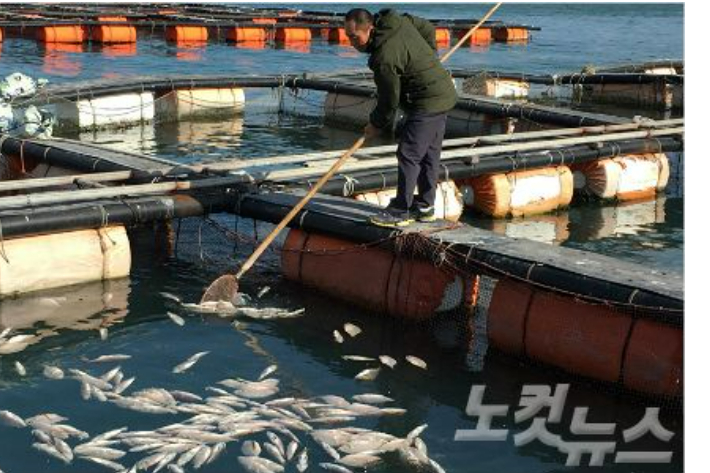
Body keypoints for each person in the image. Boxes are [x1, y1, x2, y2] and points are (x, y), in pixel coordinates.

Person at [344, 8, 458, 227]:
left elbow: (389, 99)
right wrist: (429, 56)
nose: (352, 43)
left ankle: (400, 210)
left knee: (408, 153)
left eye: (355, 37)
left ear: (369, 28)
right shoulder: (395, 21)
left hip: (427, 100)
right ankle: (425, 206)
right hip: (441, 92)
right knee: (428, 154)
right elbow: (427, 26)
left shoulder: (384, 58)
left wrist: (376, 124)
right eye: (348, 37)